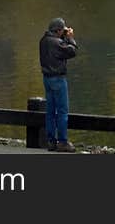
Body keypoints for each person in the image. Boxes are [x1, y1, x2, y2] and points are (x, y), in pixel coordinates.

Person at [39, 16, 78, 152]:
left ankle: (51, 141)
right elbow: (72, 51)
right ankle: (62, 142)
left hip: (47, 79)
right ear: (58, 31)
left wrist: (64, 37)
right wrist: (71, 38)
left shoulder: (44, 41)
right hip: (58, 80)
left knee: (50, 112)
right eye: (63, 30)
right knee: (62, 112)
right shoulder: (56, 43)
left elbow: (59, 47)